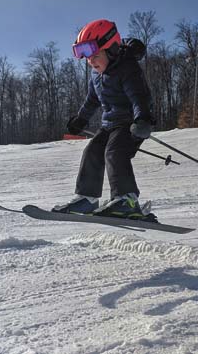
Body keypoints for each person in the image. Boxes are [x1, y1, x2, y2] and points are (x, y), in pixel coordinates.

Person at [52, 19, 157, 221]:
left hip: (131, 124)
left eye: (95, 56)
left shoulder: (127, 68)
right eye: (87, 58)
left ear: (112, 50)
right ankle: (87, 198)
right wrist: (81, 119)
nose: (91, 62)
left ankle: (126, 199)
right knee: (92, 151)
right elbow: (92, 100)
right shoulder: (96, 74)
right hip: (109, 124)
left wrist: (143, 119)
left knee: (114, 152)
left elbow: (139, 97)